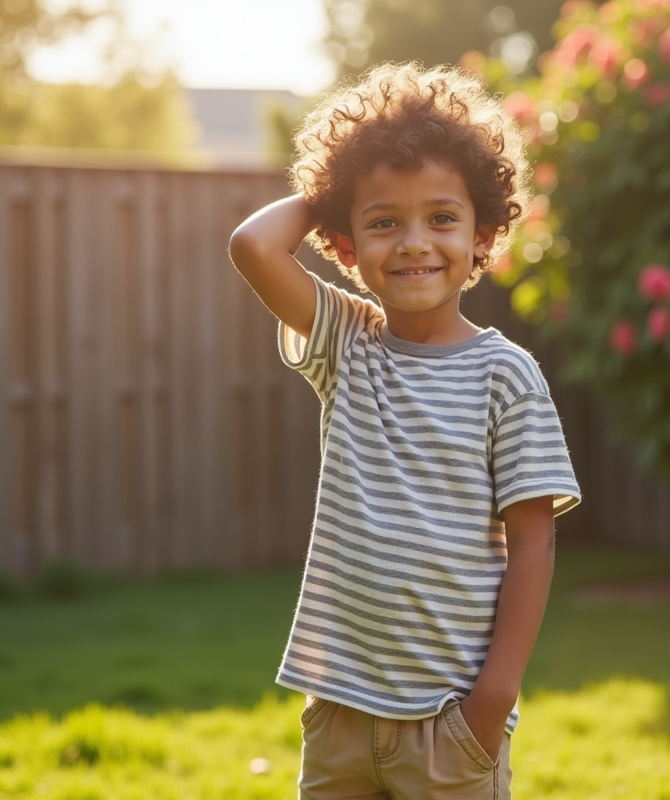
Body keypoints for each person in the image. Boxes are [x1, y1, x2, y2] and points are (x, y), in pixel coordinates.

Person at [228, 62, 582, 800]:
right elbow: (255, 248)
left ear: (483, 233)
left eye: (442, 218)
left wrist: (492, 702)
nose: (414, 242)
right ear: (346, 245)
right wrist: (336, 187)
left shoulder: (506, 377)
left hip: (452, 719)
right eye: (383, 220)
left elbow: (535, 542)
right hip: (339, 710)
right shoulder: (346, 343)